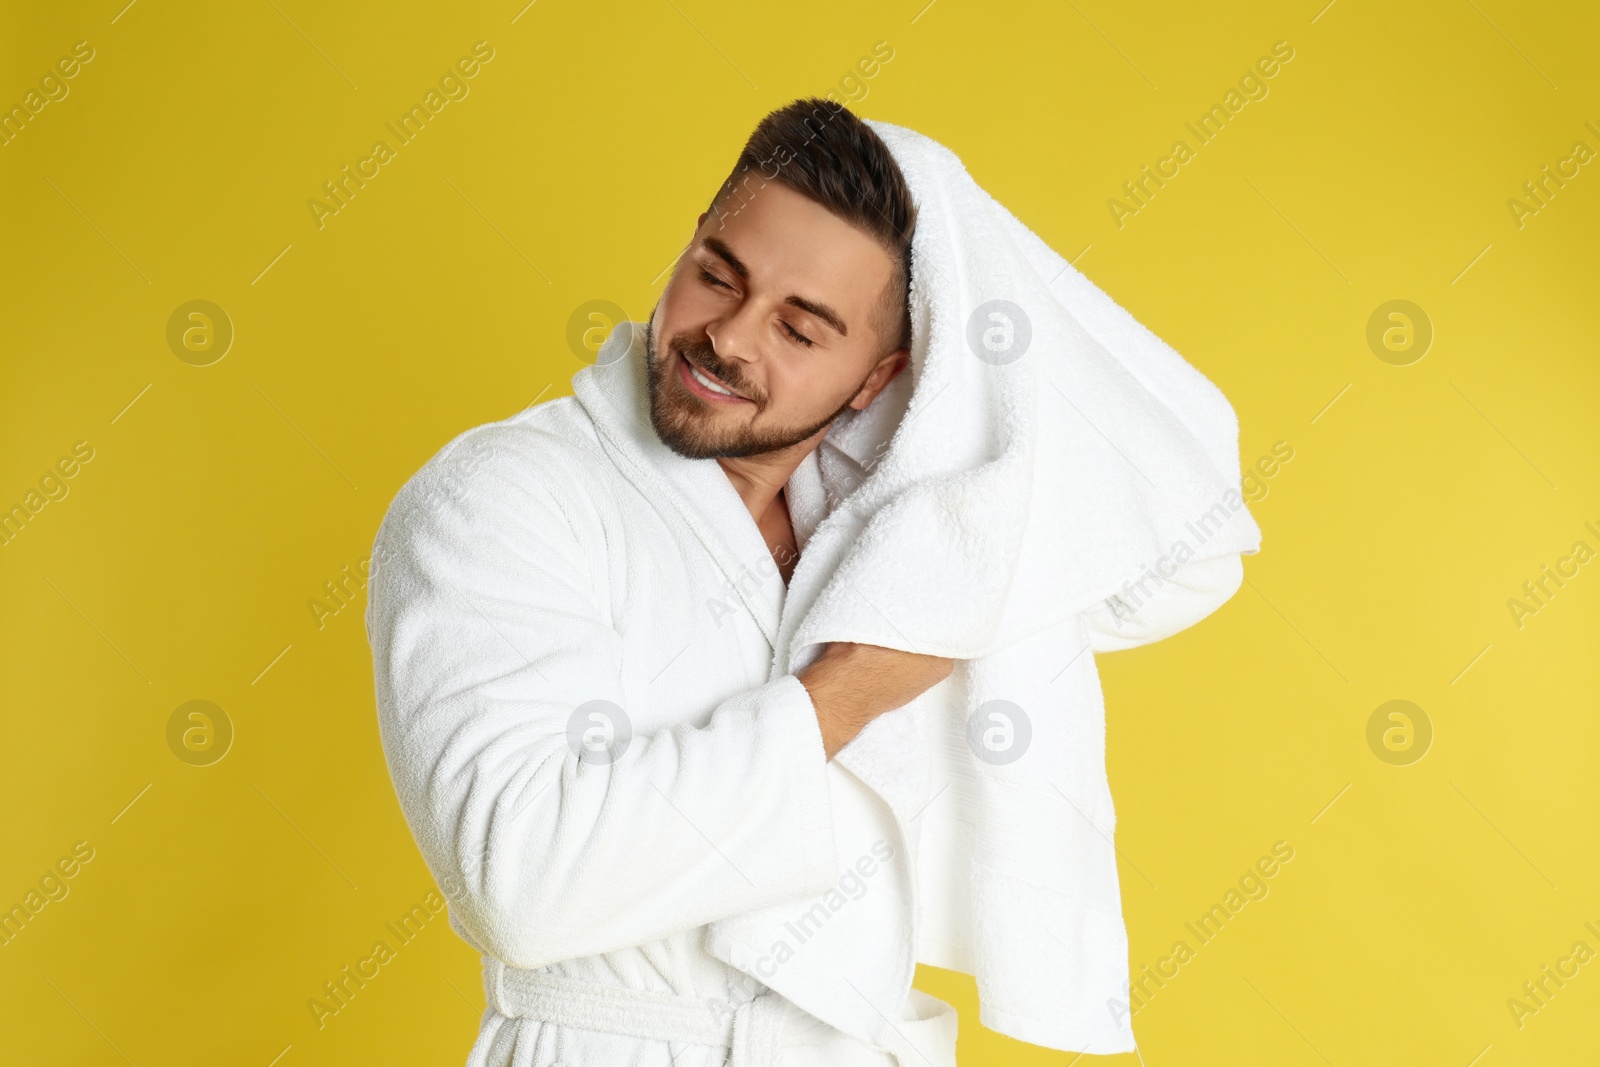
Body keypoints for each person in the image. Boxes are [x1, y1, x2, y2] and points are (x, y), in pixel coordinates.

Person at [367, 97, 959, 1066]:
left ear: (876, 377)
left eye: (800, 330)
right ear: (689, 243)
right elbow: (517, 880)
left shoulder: (878, 526)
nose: (728, 337)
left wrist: (964, 225)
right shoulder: (501, 496)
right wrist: (837, 697)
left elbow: (1174, 555)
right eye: (717, 276)